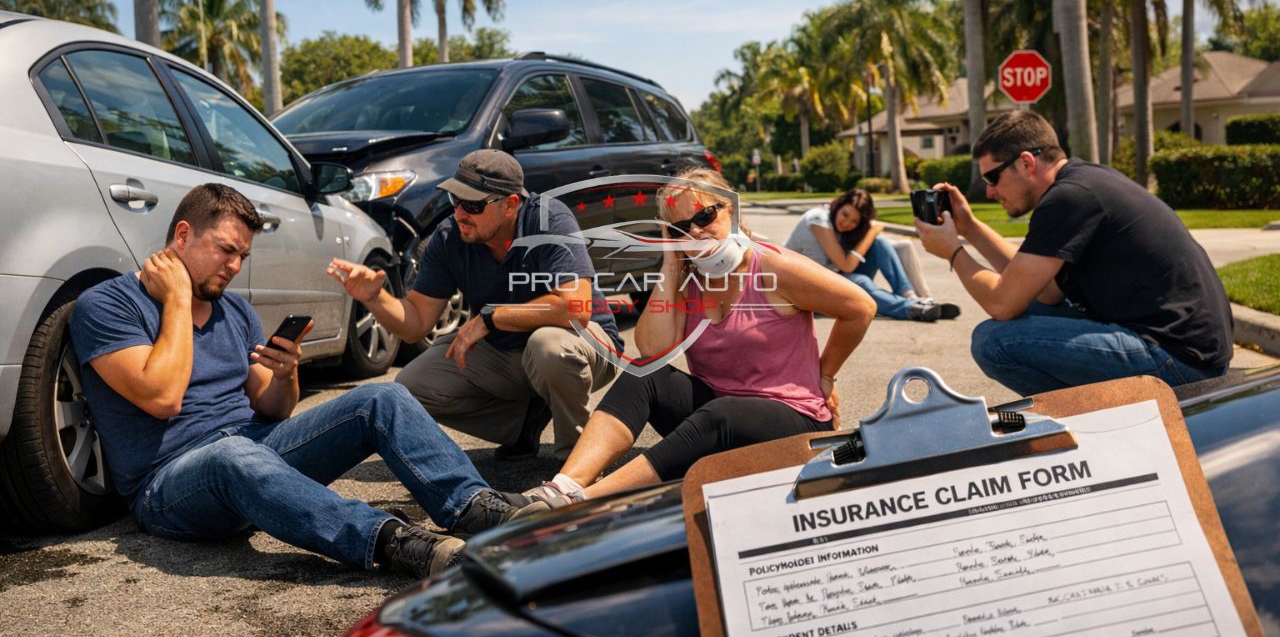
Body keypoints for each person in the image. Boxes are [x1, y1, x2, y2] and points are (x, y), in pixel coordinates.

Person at [70, 184, 532, 580]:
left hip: (255, 449)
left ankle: (473, 507)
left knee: (382, 396)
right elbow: (162, 397)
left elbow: (272, 410)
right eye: (226, 251)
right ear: (183, 235)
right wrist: (176, 298)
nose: (233, 267)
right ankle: (392, 541)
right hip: (171, 483)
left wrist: (286, 373)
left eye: (243, 256)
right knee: (234, 454)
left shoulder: (234, 310)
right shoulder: (107, 305)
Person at [519, 168, 876, 509]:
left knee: (722, 413)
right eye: (679, 229)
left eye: (704, 217)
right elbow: (653, 350)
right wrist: (672, 265)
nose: (695, 232)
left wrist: (825, 374)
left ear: (730, 209)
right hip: (716, 420)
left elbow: (860, 307)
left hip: (793, 426)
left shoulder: (772, 267)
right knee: (645, 373)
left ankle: (582, 502)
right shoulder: (688, 281)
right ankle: (561, 487)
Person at [327, 149, 622, 461]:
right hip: (506, 353)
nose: (459, 214)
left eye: (473, 205)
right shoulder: (449, 237)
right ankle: (521, 424)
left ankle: (576, 461)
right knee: (410, 387)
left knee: (548, 347)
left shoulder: (549, 219)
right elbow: (415, 323)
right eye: (456, 201)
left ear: (510, 205)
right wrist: (377, 298)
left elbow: (575, 308)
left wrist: (491, 318)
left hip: (586, 341)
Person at [914, 110, 1233, 396]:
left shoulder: (1068, 198)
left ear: (1026, 163)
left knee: (993, 342)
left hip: (1174, 359)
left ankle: (1088, 425)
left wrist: (954, 252)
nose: (989, 191)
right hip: (1187, 349)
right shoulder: (1082, 183)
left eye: (992, 177)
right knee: (1026, 314)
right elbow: (1047, 293)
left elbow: (1001, 304)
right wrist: (970, 229)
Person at [784, 188, 960, 322]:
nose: (846, 223)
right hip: (805, 291)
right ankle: (912, 308)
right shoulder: (818, 220)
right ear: (838, 205)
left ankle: (910, 296)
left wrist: (873, 235)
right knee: (861, 281)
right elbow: (846, 266)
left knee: (880, 243)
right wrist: (871, 232)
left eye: (854, 221)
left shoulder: (836, 225)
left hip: (829, 280)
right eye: (845, 214)